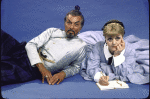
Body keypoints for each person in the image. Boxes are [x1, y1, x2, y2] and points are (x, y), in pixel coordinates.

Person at [1, 5, 87, 86]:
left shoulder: (81, 46)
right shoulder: (53, 31)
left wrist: (63, 74)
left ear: (81, 27)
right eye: (69, 22)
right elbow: (30, 44)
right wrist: (42, 68)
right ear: (65, 23)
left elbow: (76, 67)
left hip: (30, 69)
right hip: (22, 51)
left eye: (76, 24)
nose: (71, 27)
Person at [80, 20, 149, 85]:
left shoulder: (129, 50)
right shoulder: (98, 47)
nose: (114, 43)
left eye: (117, 38)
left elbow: (125, 74)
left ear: (122, 37)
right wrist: (100, 77)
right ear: (105, 38)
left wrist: (117, 55)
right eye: (110, 39)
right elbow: (92, 67)